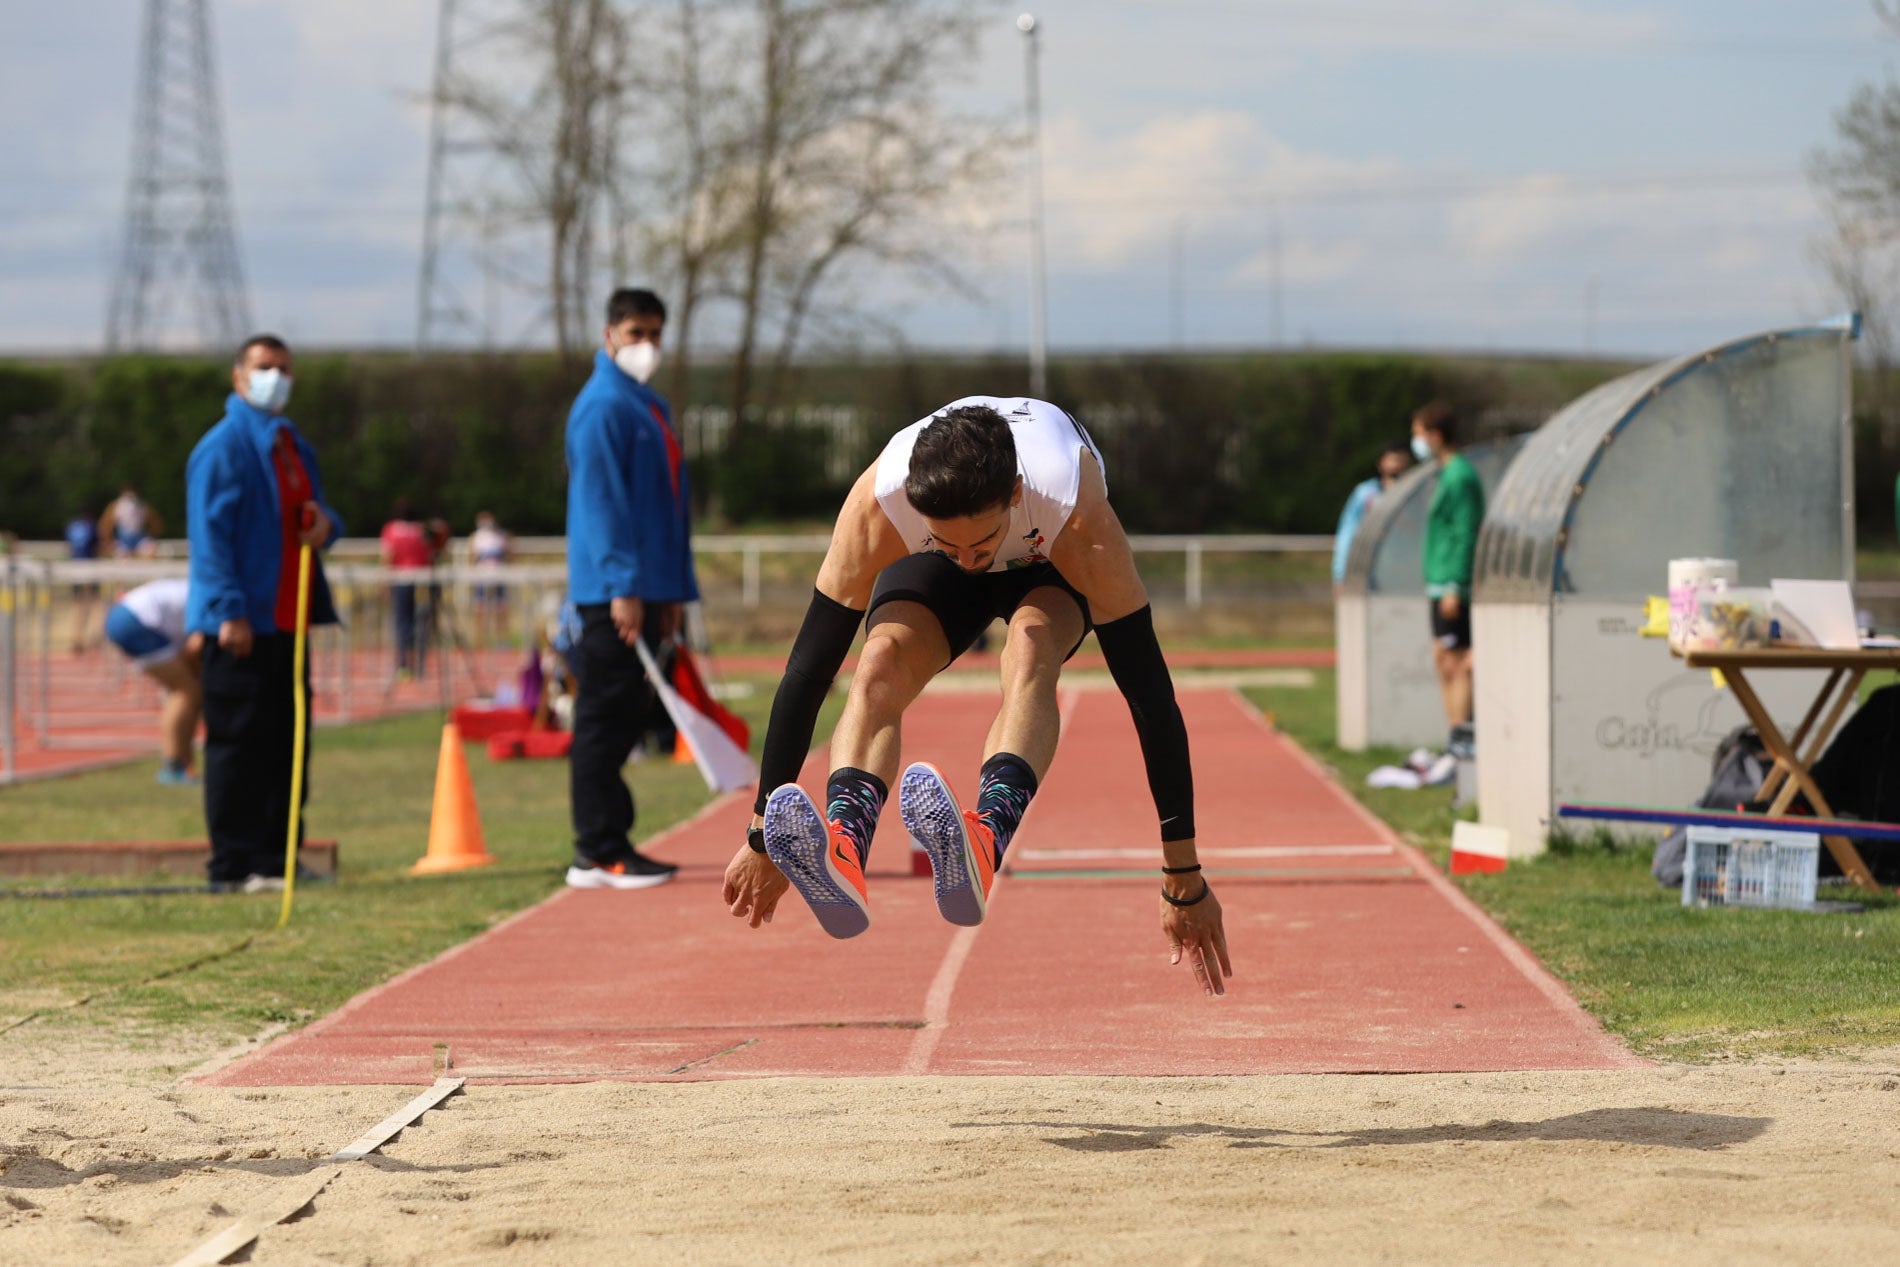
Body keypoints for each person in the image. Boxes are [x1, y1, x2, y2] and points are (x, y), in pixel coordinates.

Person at [720, 397, 1233, 997]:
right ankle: (844, 843)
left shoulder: (1077, 514)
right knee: (878, 662)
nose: (967, 561)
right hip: (942, 552)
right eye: (950, 544)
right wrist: (761, 832)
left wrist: (1183, 874)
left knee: (1031, 650)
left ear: (1014, 493)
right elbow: (808, 671)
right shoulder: (878, 505)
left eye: (981, 543)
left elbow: (1149, 695)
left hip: (1048, 559)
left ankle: (986, 836)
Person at [186, 334, 344, 891]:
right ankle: (234, 865)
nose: (274, 377)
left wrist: (326, 526)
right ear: (238, 376)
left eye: (283, 368)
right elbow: (210, 538)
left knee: (287, 742)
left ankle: (278, 859)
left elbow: (318, 514)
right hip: (241, 625)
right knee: (238, 743)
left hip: (287, 620)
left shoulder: (291, 443)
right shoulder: (222, 447)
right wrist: (228, 610)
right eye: (263, 367)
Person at [562, 287, 697, 890]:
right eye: (636, 332)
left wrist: (673, 592)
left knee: (626, 719)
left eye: (656, 334)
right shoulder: (602, 407)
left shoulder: (648, 406)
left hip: (649, 588)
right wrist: (622, 586)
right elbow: (602, 506)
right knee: (604, 717)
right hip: (613, 593)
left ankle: (608, 844)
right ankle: (598, 850)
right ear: (609, 334)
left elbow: (667, 508)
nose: (647, 345)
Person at [1412, 401, 1484, 760]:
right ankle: (1455, 737)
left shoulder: (1460, 476)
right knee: (1444, 660)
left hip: (1451, 585)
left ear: (1435, 435)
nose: (1416, 443)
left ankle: (1461, 743)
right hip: (1439, 582)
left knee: (1456, 662)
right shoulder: (1446, 474)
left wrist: (1455, 584)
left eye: (1418, 434)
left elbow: (1466, 532)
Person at [102, 577, 201, 786]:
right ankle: (174, 767)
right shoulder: (210, 599)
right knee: (186, 691)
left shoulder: (198, 590)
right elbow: (195, 645)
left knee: (186, 691)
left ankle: (182, 764)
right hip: (134, 620)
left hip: (125, 615)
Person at [1331, 442, 1415, 591]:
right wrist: (1341, 574)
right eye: (1393, 460)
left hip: (1404, 573)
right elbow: (1347, 535)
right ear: (1381, 464)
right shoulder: (1365, 494)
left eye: (1402, 461)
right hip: (1369, 572)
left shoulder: (1416, 496)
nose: (1397, 466)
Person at [380, 497, 435, 678]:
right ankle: (419, 662)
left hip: (400, 579)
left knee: (403, 622)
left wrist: (385, 582)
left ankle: (404, 663)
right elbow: (430, 555)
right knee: (421, 622)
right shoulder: (422, 530)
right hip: (422, 580)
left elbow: (388, 556)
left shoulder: (391, 530)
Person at [467, 510, 514, 646]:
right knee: (480, 609)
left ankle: (502, 640)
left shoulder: (501, 536)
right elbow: (471, 557)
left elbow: (510, 555)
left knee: (500, 608)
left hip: (499, 577)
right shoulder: (476, 537)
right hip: (482, 578)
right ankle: (480, 641)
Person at [64, 506, 102, 653]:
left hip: (75, 567)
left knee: (78, 604)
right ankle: (96, 637)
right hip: (90, 566)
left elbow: (70, 548)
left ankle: (77, 638)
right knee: (95, 601)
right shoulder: (93, 526)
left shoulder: (71, 526)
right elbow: (98, 547)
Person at [100, 483, 163, 557]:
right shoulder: (116, 505)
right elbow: (105, 525)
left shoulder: (142, 505)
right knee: (120, 555)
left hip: (140, 538)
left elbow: (156, 523)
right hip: (122, 541)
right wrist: (108, 541)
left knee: (151, 551)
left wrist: (151, 536)